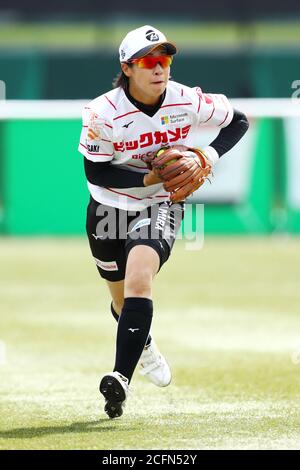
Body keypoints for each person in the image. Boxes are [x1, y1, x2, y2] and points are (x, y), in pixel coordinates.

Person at [78, 25, 249, 419]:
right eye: (149, 61)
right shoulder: (103, 112)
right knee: (121, 302)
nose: (160, 69)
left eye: (165, 60)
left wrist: (206, 156)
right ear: (127, 67)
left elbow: (237, 121)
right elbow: (97, 173)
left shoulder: (185, 98)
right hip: (107, 207)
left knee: (141, 276)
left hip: (160, 205)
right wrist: (148, 176)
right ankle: (145, 344)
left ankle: (120, 378)